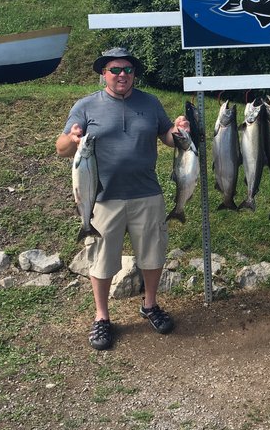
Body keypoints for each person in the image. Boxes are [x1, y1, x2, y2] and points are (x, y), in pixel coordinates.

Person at [56, 47, 190, 351]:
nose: (121, 75)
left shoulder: (150, 102)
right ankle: (102, 317)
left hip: (147, 194)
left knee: (153, 255)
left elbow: (167, 137)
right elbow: (62, 147)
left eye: (127, 70)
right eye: (115, 70)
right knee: (102, 261)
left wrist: (178, 131)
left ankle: (150, 305)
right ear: (103, 73)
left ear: (134, 74)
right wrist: (73, 139)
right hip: (102, 199)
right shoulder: (86, 106)